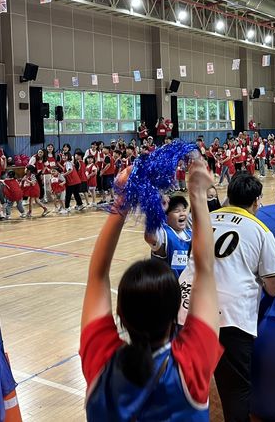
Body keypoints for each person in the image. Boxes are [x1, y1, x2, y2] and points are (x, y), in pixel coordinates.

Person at [81, 159, 223, 421]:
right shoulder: (190, 363)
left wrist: (123, 200)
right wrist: (199, 195)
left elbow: (96, 276)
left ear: (120, 315)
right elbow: (205, 269)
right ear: (175, 314)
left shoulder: (101, 362)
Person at [178, 172, 275, 422]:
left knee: (189, 385)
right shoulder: (261, 230)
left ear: (228, 196)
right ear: (257, 201)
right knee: (235, 389)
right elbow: (274, 286)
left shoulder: (206, 219)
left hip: (188, 310)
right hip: (230, 317)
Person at [145, 195, 192, 278]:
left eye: (184, 210)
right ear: (166, 216)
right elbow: (149, 236)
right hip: (168, 287)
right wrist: (157, 212)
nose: (182, 214)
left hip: (187, 287)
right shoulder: (163, 234)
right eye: (177, 211)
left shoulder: (191, 234)